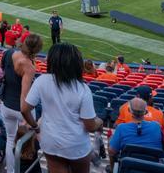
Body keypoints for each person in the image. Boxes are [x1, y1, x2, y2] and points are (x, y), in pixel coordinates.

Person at [22, 43, 103, 173]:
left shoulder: (41, 80)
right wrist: (99, 122)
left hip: (51, 143)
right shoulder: (82, 89)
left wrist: (36, 127)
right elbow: (90, 126)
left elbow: (25, 109)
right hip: (76, 146)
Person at [0, 33, 43, 173]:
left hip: (6, 104)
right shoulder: (28, 66)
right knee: (29, 143)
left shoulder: (9, 52)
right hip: (20, 109)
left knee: (11, 139)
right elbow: (24, 98)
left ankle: (11, 170)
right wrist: (34, 124)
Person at [109, 98, 163, 170]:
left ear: (129, 111)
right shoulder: (156, 126)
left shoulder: (121, 128)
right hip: (151, 169)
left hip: (128, 169)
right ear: (146, 112)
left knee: (110, 140)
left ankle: (112, 170)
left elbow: (112, 152)